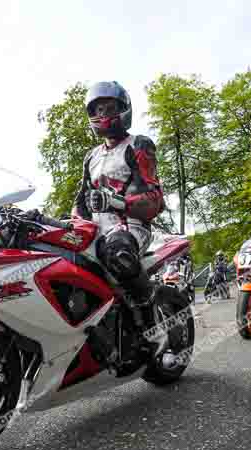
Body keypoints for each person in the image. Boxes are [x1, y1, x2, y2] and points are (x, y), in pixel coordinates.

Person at [71, 81, 165, 365]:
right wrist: (70, 223)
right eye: (97, 109)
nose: (103, 114)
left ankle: (152, 326)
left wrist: (117, 203)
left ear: (123, 110)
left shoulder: (138, 145)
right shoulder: (91, 156)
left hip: (131, 227)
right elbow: (81, 199)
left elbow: (155, 199)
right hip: (96, 230)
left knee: (119, 252)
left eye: (109, 108)